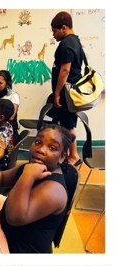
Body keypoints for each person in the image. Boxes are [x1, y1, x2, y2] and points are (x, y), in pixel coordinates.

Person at [0, 124, 75, 253]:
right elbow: (2, 177)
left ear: (62, 156)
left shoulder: (54, 190)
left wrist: (27, 176)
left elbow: (14, 218)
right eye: (38, 142)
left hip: (13, 242)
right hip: (9, 217)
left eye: (52, 148)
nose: (41, 149)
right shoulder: (30, 167)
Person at [50, 11, 84, 166]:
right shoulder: (75, 41)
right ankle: (68, 154)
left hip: (66, 92)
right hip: (70, 91)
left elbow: (65, 70)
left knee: (68, 125)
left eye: (55, 31)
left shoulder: (67, 43)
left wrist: (57, 93)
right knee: (66, 124)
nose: (54, 35)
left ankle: (74, 156)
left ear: (63, 28)